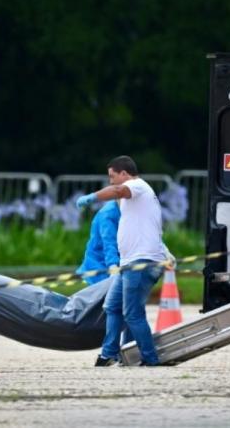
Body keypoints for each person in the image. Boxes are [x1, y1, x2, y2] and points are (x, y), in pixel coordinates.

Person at [76, 155, 167, 366]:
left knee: (132, 313)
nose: (111, 182)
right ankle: (108, 355)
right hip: (130, 263)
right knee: (113, 306)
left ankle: (150, 359)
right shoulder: (135, 197)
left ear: (124, 174)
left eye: (112, 176)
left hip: (141, 263)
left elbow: (117, 190)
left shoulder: (137, 185)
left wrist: (92, 197)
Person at [76, 199, 120, 286]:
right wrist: (113, 266)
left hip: (105, 268)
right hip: (97, 272)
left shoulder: (120, 210)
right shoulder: (108, 214)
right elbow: (109, 243)